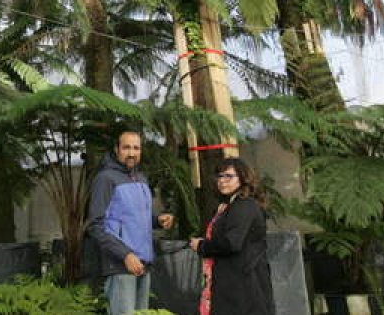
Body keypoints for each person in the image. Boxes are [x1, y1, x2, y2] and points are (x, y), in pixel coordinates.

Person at [88, 130, 175, 315]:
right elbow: (95, 226)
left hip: (143, 262)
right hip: (120, 265)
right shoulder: (105, 179)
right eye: (126, 147)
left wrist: (158, 221)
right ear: (116, 149)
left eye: (136, 148)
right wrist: (125, 255)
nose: (131, 153)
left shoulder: (141, 178)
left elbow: (133, 218)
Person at [189, 157, 273, 315]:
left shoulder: (244, 205)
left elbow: (231, 243)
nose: (222, 181)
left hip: (243, 287)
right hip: (233, 283)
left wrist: (201, 246)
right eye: (220, 176)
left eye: (229, 176)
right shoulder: (230, 206)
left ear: (243, 178)